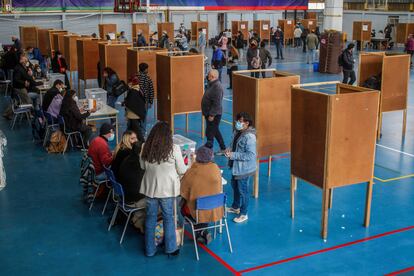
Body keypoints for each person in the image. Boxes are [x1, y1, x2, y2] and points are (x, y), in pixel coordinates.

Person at [140, 121, 187, 257]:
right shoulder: (174, 149)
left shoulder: (145, 147)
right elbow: (182, 169)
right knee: (169, 218)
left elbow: (143, 167)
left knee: (150, 218)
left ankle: (149, 250)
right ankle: (171, 248)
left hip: (150, 188)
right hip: (167, 189)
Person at [180, 146, 222, 244]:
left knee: (184, 206)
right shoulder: (215, 168)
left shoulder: (193, 171)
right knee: (205, 201)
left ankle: (200, 231)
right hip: (215, 209)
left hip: (197, 211)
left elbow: (183, 191)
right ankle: (202, 231)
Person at [225, 112, 257, 223]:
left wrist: (233, 155)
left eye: (240, 121)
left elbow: (251, 155)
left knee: (243, 191)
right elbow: (233, 144)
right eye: (237, 121)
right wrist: (229, 149)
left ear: (247, 123)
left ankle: (244, 213)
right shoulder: (237, 132)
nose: (237, 123)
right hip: (235, 167)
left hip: (244, 169)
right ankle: (235, 207)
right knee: (235, 186)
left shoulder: (250, 137)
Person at [117, 141, 146, 232]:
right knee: (157, 200)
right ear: (141, 152)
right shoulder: (140, 165)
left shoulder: (126, 159)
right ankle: (138, 220)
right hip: (132, 200)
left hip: (123, 196)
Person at [3, 54, 42, 120]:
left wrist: (29, 73)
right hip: (20, 88)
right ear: (22, 61)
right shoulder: (19, 68)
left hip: (19, 87)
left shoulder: (22, 67)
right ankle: (29, 114)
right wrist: (24, 82)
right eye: (26, 60)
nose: (27, 62)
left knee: (18, 101)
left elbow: (25, 76)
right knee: (28, 102)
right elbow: (16, 79)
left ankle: (7, 113)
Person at [201, 69, 226, 154]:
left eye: (208, 75)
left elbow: (217, 103)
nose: (207, 76)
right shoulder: (211, 84)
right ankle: (223, 148)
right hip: (209, 113)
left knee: (210, 132)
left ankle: (208, 148)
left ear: (213, 76)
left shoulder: (217, 87)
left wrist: (212, 115)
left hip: (214, 114)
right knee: (214, 131)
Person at [124, 76, 146, 141]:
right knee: (130, 129)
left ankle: (143, 142)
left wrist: (125, 102)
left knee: (137, 130)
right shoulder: (138, 89)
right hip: (136, 113)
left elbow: (130, 103)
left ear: (132, 83)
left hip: (133, 114)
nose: (128, 84)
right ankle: (125, 140)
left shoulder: (133, 91)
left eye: (129, 82)